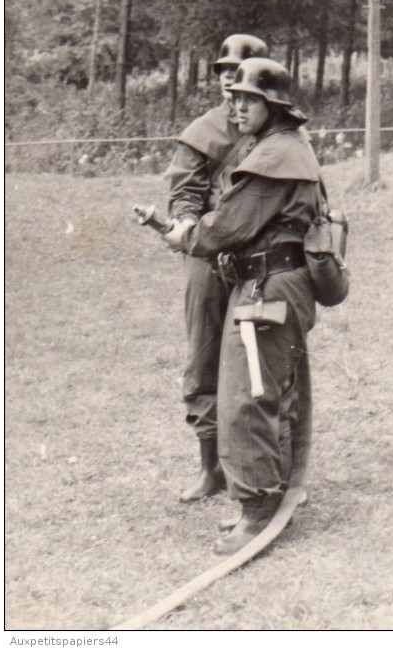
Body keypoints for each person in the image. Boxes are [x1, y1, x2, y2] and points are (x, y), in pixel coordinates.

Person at [164, 57, 323, 552]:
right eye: (233, 97)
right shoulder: (278, 147)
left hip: (268, 286)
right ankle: (266, 496)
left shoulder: (276, 155)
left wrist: (187, 234)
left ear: (272, 104)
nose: (236, 106)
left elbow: (229, 225)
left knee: (245, 397)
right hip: (268, 282)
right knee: (264, 390)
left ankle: (256, 511)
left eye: (248, 99)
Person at [165, 33, 270, 504]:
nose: (229, 79)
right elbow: (185, 192)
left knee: (265, 359)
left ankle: (273, 465)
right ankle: (211, 469)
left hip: (263, 261)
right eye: (225, 71)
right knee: (204, 357)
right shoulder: (203, 130)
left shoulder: (279, 131)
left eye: (240, 71)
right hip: (209, 258)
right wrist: (188, 225)